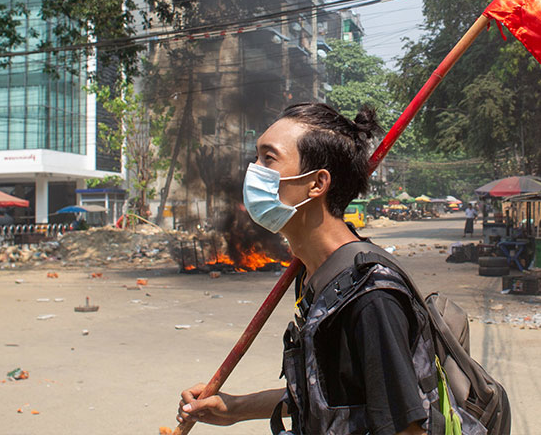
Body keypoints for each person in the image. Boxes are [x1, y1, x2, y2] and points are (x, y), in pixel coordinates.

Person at [177, 103, 439, 435]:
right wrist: (233, 408)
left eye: (268, 159)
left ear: (317, 184)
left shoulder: (370, 297)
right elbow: (328, 395)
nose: (253, 171)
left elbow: (406, 428)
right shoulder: (317, 278)